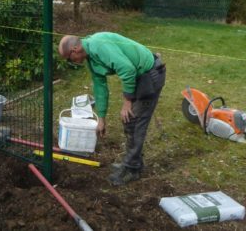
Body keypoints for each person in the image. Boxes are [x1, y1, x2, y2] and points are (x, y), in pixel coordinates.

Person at [58, 32, 166, 186]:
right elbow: (99, 87)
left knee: (134, 122)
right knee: (130, 122)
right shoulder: (90, 57)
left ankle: (131, 169)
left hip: (150, 74)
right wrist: (101, 118)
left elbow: (127, 69)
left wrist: (127, 102)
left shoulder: (99, 46)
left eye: (69, 59)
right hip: (139, 76)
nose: (71, 62)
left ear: (75, 50)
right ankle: (133, 162)